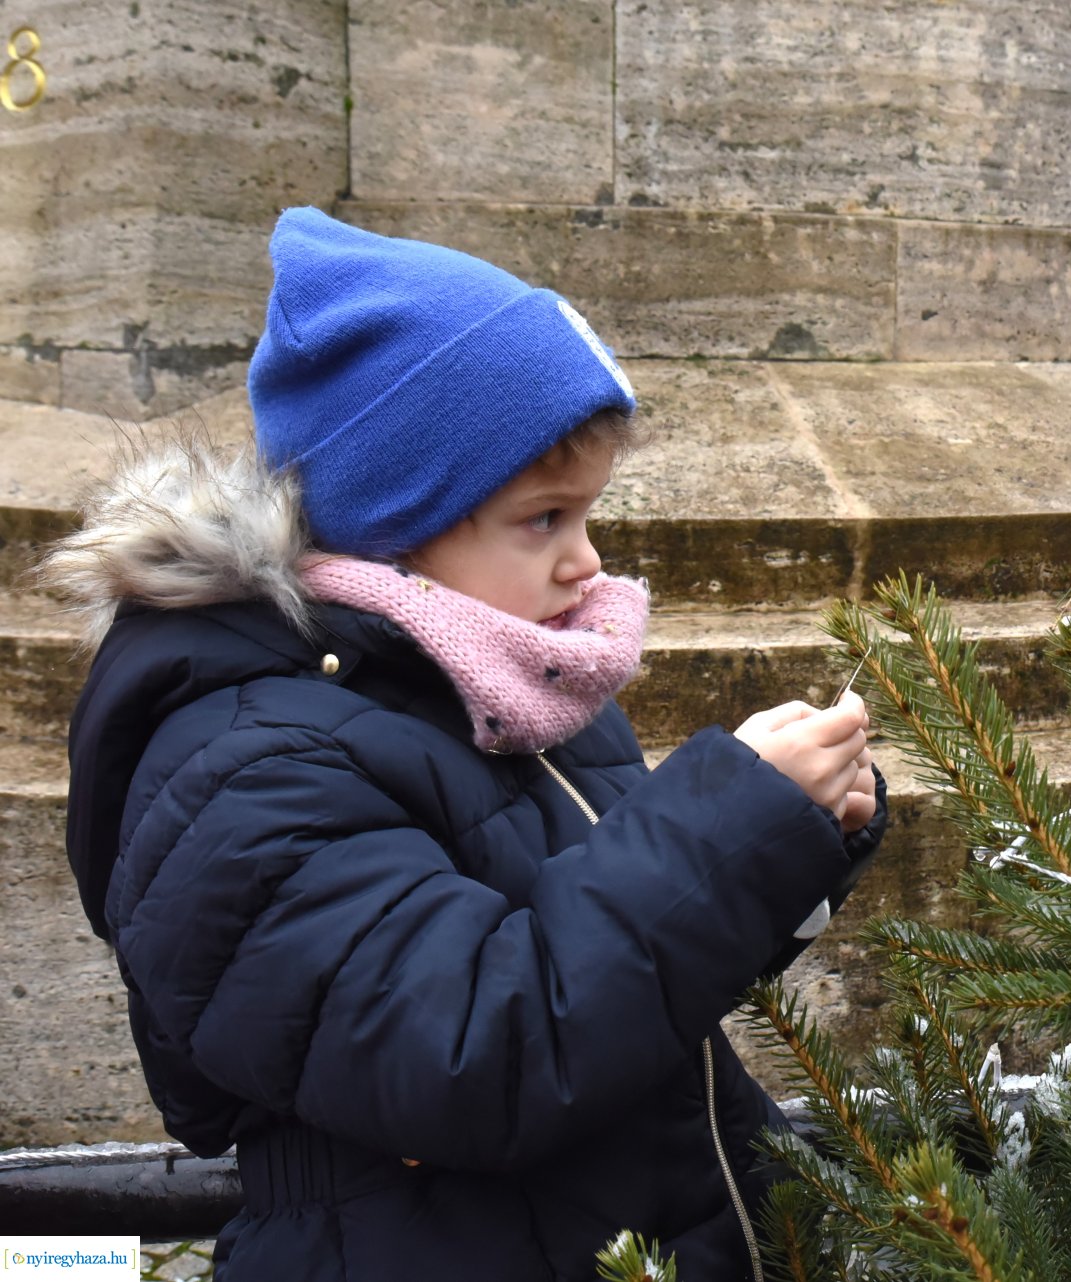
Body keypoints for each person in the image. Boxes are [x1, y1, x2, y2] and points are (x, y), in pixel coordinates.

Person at [42, 207, 887, 1282]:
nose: (588, 561)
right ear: (395, 520)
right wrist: (724, 831)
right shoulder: (245, 767)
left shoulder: (511, 685)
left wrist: (787, 840)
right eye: (544, 519)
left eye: (587, 514)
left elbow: (625, 983)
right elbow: (481, 1053)